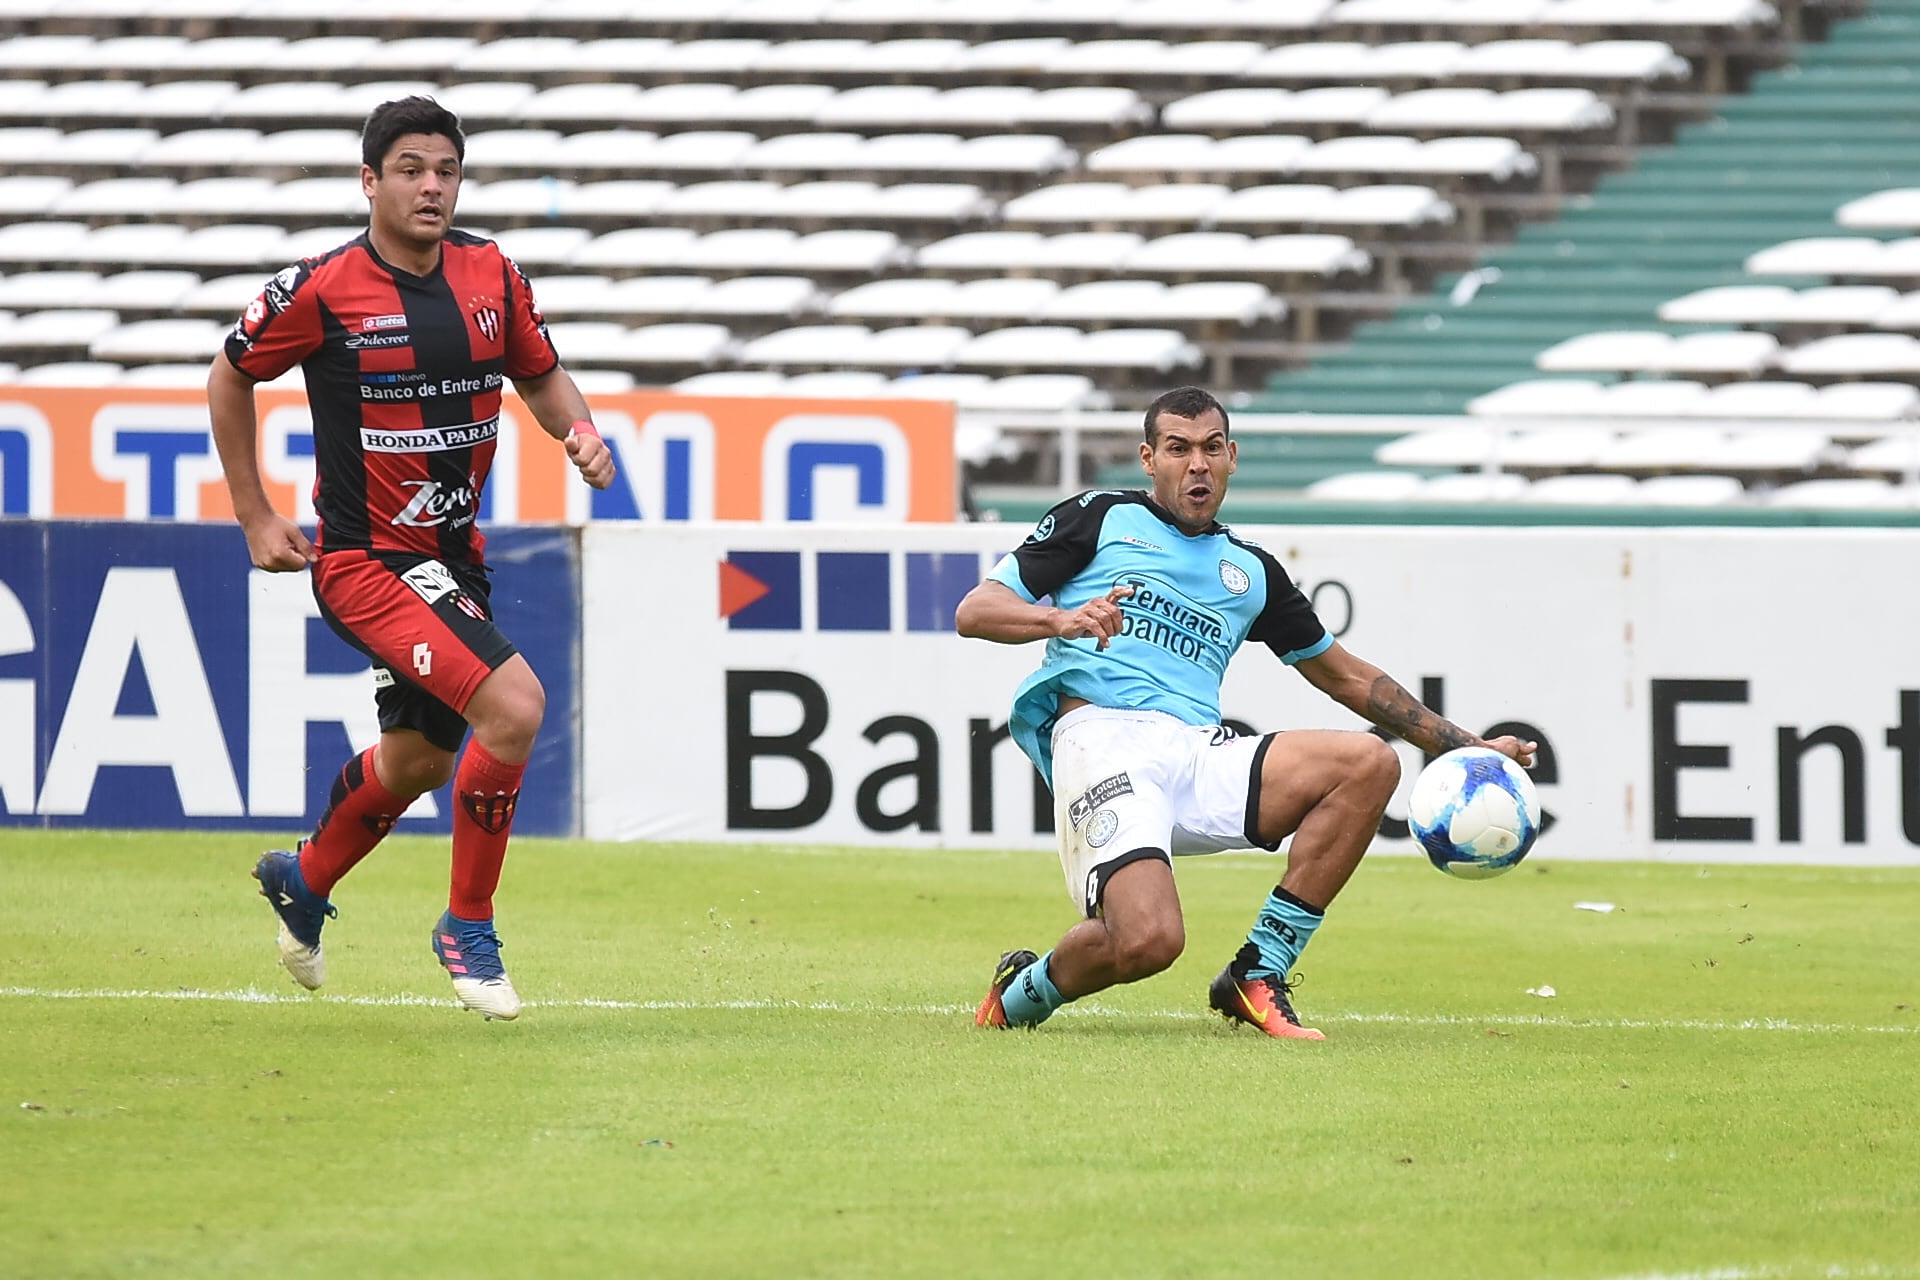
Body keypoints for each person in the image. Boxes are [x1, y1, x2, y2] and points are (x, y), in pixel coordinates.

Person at [955, 386, 1534, 1039]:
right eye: (1177, 449)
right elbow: (975, 611)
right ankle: (1024, 992)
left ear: (1232, 457)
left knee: (1367, 765)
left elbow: (1347, 677)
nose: (1195, 464)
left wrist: (1466, 747)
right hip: (1103, 742)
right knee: (1148, 941)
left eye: (1209, 449)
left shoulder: (1251, 572)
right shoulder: (1099, 517)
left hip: (1197, 751)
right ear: (1149, 459)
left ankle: (1257, 972)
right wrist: (1061, 617)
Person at [207, 96, 615, 1021]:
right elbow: (230, 375)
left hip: (451, 562)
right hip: (366, 563)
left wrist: (579, 432)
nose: (432, 186)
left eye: (446, 170)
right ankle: (465, 925)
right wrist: (253, 512)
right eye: (410, 170)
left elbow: (543, 375)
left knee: (423, 761)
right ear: (370, 181)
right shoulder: (318, 290)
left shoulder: (492, 273)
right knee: (515, 708)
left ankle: (302, 878)